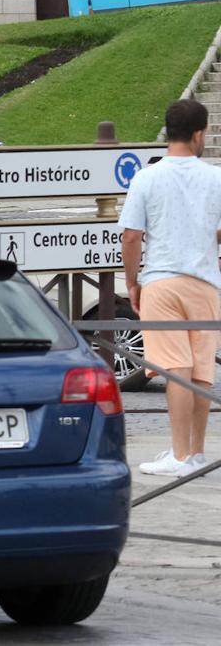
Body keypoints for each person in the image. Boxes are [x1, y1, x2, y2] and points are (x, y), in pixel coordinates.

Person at [120, 98, 221, 477]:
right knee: (199, 372)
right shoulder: (215, 177)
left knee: (175, 370)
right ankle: (195, 453)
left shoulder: (147, 177)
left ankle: (178, 457)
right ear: (198, 134)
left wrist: (132, 282)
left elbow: (131, 236)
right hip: (206, 283)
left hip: (162, 281)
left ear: (168, 132)